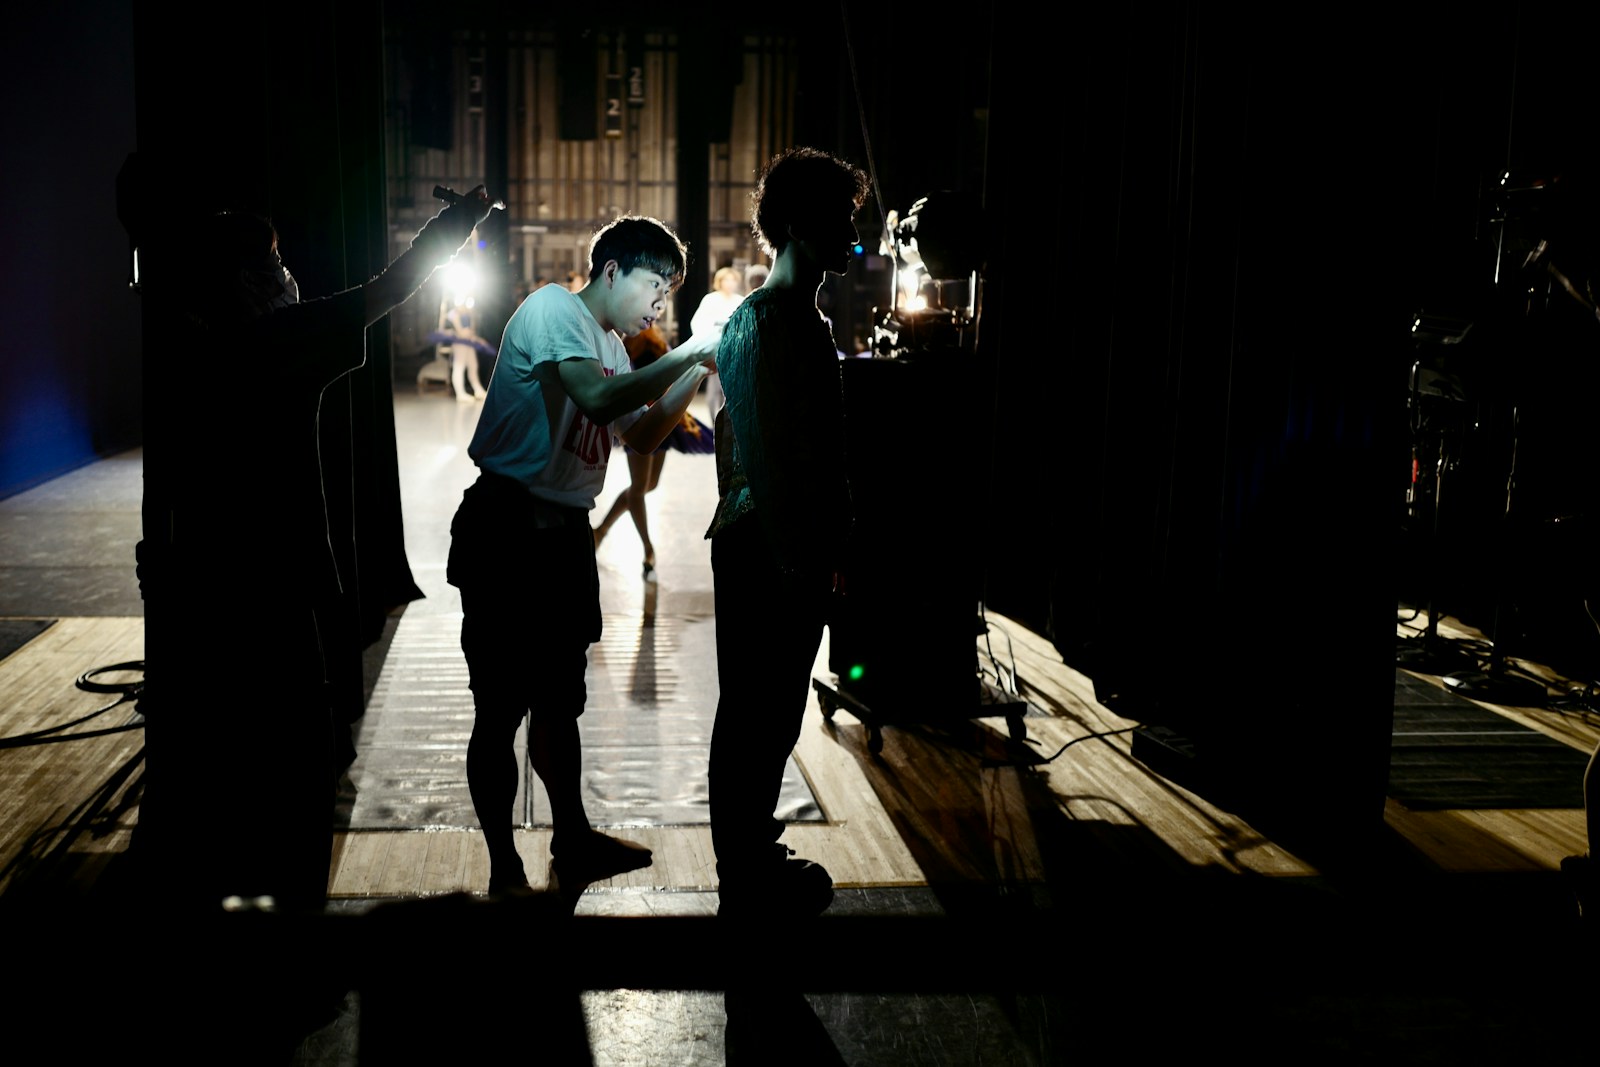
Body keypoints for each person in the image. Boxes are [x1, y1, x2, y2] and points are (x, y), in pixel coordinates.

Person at [145, 187, 494, 915]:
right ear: (250, 276)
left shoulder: (192, 343)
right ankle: (298, 930)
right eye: (276, 264)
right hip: (279, 573)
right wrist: (455, 225)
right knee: (303, 748)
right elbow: (388, 289)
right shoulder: (280, 339)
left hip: (207, 576)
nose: (288, 275)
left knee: (225, 745)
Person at [447, 215, 719, 894]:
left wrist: (695, 371)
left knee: (560, 703)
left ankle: (571, 837)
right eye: (654, 286)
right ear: (612, 271)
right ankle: (503, 863)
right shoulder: (553, 308)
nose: (658, 306)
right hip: (507, 529)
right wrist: (684, 356)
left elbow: (646, 435)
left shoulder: (613, 347)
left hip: (563, 534)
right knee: (500, 708)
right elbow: (596, 403)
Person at [704, 147, 869, 920]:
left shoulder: (797, 318)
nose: (852, 233)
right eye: (841, 218)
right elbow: (768, 461)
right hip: (767, 547)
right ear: (800, 224)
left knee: (770, 710)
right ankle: (742, 865)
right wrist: (806, 558)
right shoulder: (766, 322)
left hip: (785, 547)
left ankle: (750, 851)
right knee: (755, 709)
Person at [693, 266, 749, 425]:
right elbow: (698, 322)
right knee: (713, 389)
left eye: (732, 280)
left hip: (734, 350)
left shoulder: (740, 300)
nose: (730, 283)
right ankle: (714, 422)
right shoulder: (710, 299)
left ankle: (729, 423)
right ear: (719, 281)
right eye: (726, 280)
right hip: (715, 348)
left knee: (730, 389)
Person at [445, 297, 488, 401]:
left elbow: (471, 330)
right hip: (459, 343)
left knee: (473, 366)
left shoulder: (469, 314)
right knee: (459, 366)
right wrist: (462, 332)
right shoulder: (453, 314)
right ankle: (460, 393)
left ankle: (478, 390)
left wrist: (476, 338)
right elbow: (456, 330)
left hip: (469, 343)